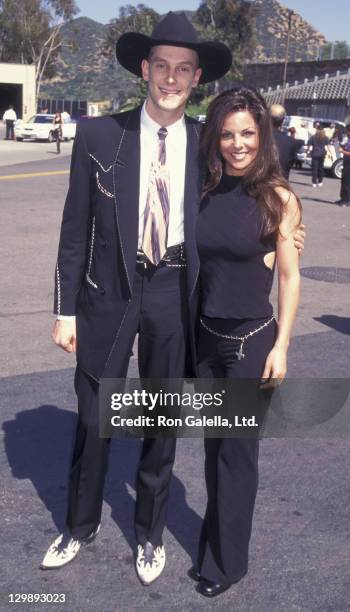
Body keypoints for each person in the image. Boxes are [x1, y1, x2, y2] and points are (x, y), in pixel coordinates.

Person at [40, 11, 233, 584]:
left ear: (197, 78)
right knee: (94, 414)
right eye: (162, 67)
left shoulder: (207, 144)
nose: (171, 79)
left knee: (161, 416)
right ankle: (79, 524)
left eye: (183, 69)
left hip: (175, 289)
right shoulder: (102, 135)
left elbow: (248, 199)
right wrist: (63, 307)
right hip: (109, 290)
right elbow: (75, 227)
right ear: (144, 69)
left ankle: (149, 534)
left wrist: (285, 226)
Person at [191, 88, 301, 598]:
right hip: (205, 338)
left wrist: (282, 345)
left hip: (250, 342)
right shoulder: (205, 190)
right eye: (229, 133)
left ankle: (226, 564)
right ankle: (216, 537)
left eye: (248, 134)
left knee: (238, 456)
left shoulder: (279, 198)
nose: (237, 144)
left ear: (264, 136)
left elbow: (290, 277)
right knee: (215, 451)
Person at [270, 104, 300, 180]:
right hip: (280, 183)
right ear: (283, 120)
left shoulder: (256, 137)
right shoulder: (290, 141)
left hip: (256, 186)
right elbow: (291, 162)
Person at [337, 123, 350, 207]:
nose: (347, 133)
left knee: (347, 183)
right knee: (343, 181)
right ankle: (342, 198)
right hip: (346, 162)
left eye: (348, 131)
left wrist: (342, 151)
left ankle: (347, 200)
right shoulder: (348, 140)